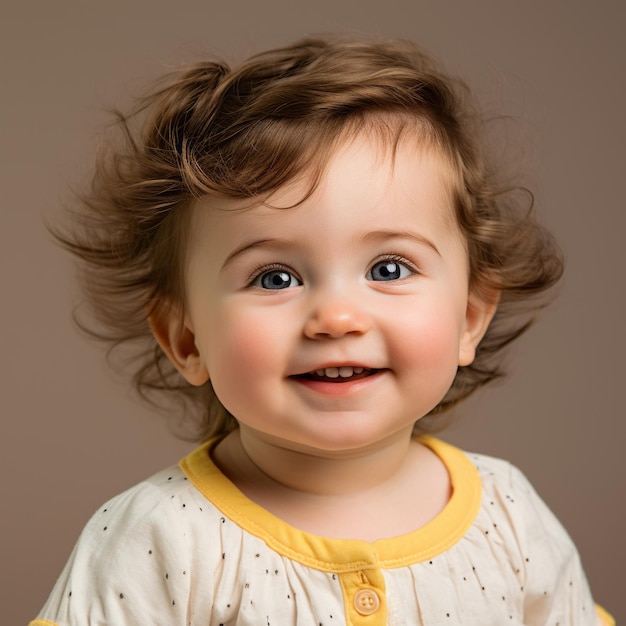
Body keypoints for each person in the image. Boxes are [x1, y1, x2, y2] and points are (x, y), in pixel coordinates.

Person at [29, 37, 613, 625]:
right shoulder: (160, 539)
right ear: (186, 339)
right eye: (275, 277)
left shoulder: (507, 515)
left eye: (389, 269)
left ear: (468, 317)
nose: (336, 318)